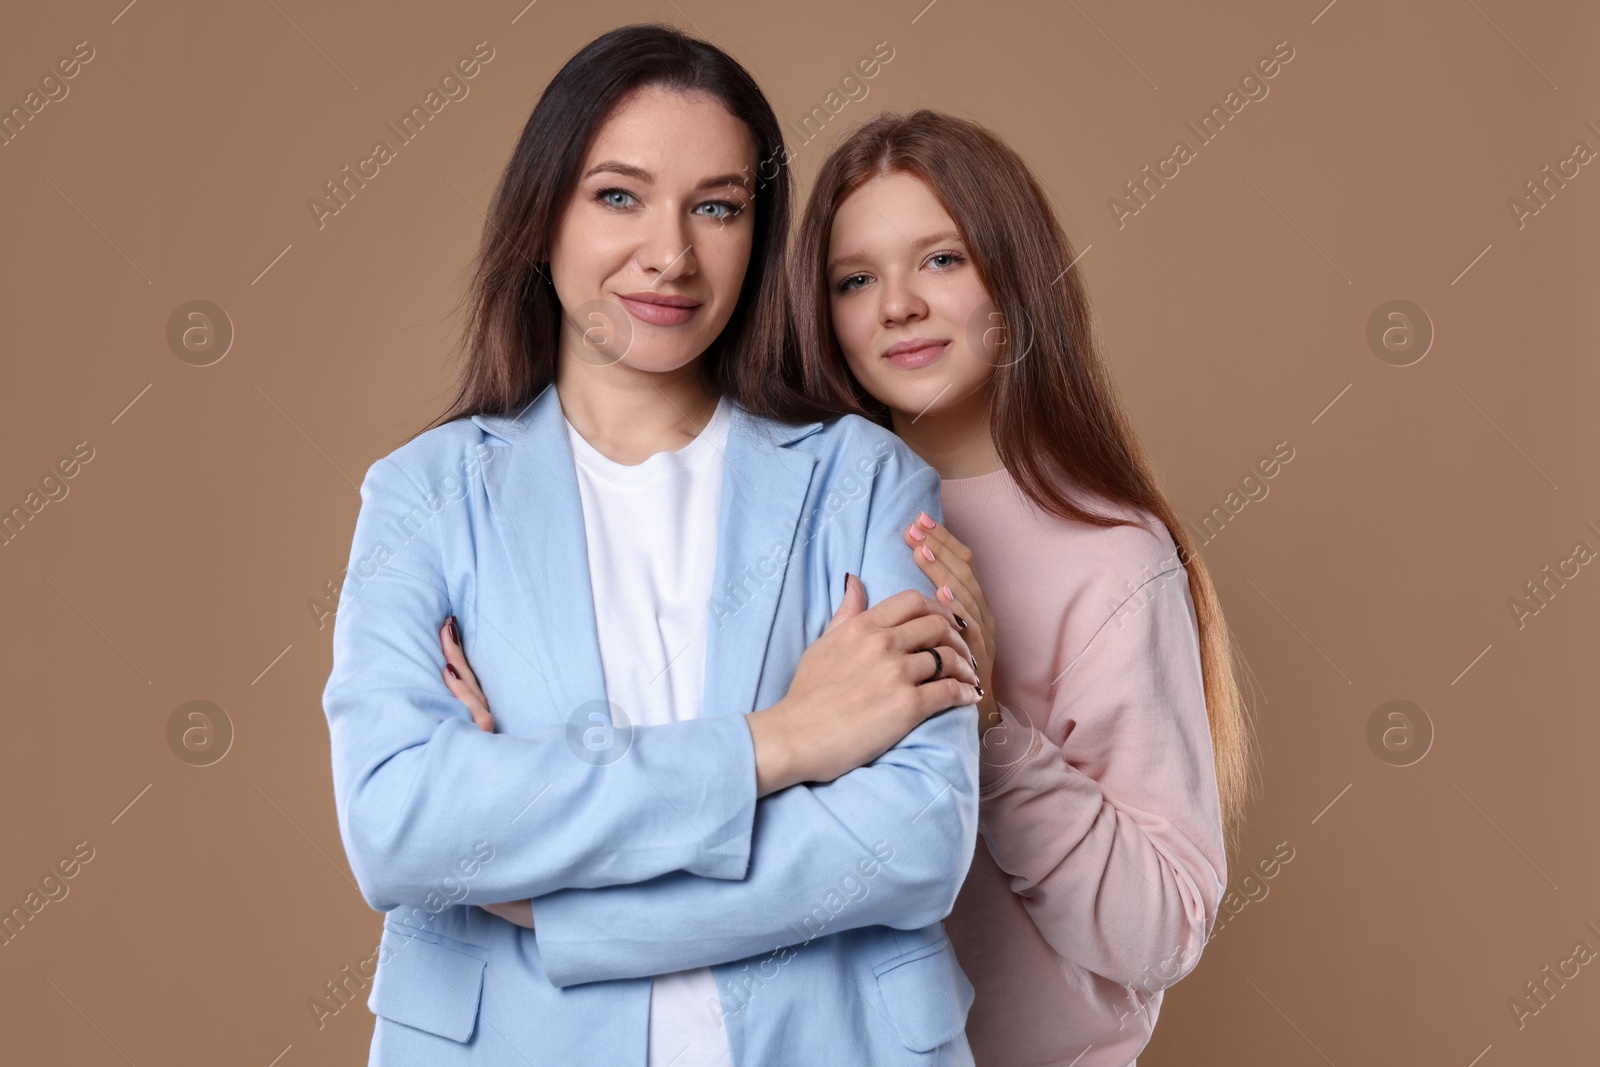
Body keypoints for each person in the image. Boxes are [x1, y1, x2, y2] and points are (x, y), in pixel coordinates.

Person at [321, 27, 984, 1067]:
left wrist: (554, 904)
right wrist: (780, 742)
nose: (671, 254)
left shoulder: (864, 479)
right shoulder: (425, 494)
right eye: (618, 195)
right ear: (543, 217)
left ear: (757, 237)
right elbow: (401, 823)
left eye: (716, 206)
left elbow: (913, 840)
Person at [784, 108, 1257, 1066]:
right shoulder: (782, 524)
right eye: (855, 279)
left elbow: (1162, 929)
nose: (898, 305)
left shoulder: (1113, 556)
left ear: (1015, 277)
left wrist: (988, 726)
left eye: (942, 260)